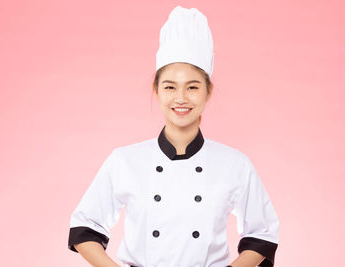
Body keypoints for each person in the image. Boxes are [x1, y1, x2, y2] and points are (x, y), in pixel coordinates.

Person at [67, 5, 279, 267]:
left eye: (192, 87)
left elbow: (262, 234)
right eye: (170, 87)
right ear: (156, 90)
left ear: (208, 92)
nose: (181, 98)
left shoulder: (235, 164)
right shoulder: (125, 160)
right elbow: (84, 227)